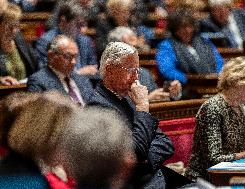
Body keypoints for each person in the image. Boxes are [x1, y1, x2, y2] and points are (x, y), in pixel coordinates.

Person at [0, 91, 135, 189]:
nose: (74, 144)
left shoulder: (19, 166)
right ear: (50, 136)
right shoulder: (24, 182)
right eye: (71, 135)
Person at [89, 41, 174, 188]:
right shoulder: (98, 106)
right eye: (130, 69)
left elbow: (165, 142)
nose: (136, 77)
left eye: (137, 70)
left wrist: (147, 161)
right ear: (109, 70)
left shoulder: (127, 98)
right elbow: (135, 152)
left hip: (152, 177)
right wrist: (142, 107)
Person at [185, 56, 245, 180]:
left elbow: (242, 152)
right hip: (205, 179)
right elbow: (214, 160)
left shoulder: (241, 107)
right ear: (236, 82)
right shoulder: (213, 108)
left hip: (234, 175)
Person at [108, 26, 182, 102]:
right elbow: (116, 107)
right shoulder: (110, 77)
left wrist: (172, 94)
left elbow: (157, 97)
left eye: (136, 48)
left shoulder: (145, 73)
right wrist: (147, 100)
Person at [156, 8, 223, 85]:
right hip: (186, 88)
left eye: (190, 26)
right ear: (174, 28)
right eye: (182, 27)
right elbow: (167, 70)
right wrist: (189, 80)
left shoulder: (204, 41)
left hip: (213, 84)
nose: (187, 31)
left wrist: (217, 76)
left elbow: (218, 61)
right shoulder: (166, 46)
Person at [27, 35, 95, 106]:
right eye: (68, 56)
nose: (73, 62)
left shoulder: (82, 79)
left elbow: (94, 106)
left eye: (75, 56)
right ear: (51, 56)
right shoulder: (38, 81)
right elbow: (38, 114)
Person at [35, 1, 98, 75]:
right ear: (63, 21)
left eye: (82, 25)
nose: (81, 30)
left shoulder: (85, 41)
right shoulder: (46, 41)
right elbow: (45, 73)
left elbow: (94, 69)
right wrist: (78, 73)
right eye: (77, 24)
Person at [0, 3, 38, 86]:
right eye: (9, 26)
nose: (14, 31)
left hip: (25, 91)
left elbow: (36, 65)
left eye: (16, 26)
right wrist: (1, 80)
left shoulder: (19, 39)